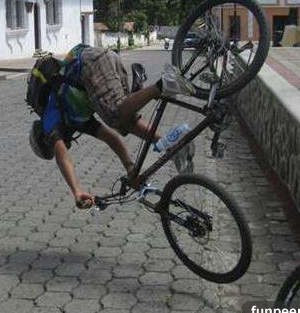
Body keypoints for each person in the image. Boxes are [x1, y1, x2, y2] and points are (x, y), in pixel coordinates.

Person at [30, 44, 196, 209]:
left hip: (90, 63)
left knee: (114, 115)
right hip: (101, 62)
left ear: (45, 139)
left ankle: (165, 83)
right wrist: (130, 167)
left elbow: (62, 157)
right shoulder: (74, 120)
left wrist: (77, 191)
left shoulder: (50, 117)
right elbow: (112, 138)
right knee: (124, 124)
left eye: (52, 148)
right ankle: (175, 146)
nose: (64, 146)